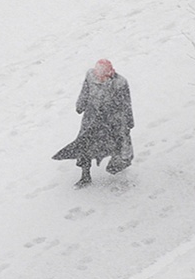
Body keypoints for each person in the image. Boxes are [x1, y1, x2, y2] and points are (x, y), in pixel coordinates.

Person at [53, 59, 135, 187]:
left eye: (103, 77)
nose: (100, 80)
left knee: (118, 144)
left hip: (112, 121)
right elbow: (85, 91)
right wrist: (81, 104)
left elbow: (126, 103)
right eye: (99, 77)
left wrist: (129, 121)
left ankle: (116, 166)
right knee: (84, 146)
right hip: (91, 120)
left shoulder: (120, 83)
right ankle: (85, 176)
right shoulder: (90, 76)